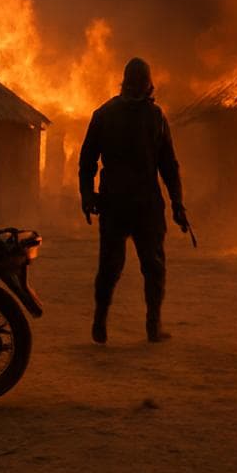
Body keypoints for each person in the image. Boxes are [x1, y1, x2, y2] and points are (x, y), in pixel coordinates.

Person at [79, 57, 188, 344]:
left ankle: (102, 322)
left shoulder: (104, 114)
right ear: (148, 85)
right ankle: (150, 326)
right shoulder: (155, 117)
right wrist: (177, 204)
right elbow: (169, 166)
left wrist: (88, 196)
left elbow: (87, 162)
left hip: (119, 203)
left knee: (113, 267)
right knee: (151, 267)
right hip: (141, 205)